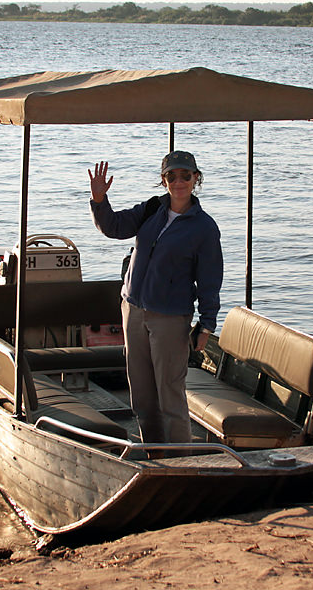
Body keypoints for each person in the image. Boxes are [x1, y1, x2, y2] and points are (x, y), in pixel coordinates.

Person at [89, 150, 223, 447]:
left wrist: (207, 325)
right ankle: (154, 452)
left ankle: (180, 461)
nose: (178, 182)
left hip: (171, 318)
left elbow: (210, 280)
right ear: (163, 181)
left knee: (169, 391)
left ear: (195, 179)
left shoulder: (204, 227)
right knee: (141, 390)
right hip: (133, 310)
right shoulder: (152, 209)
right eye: (171, 176)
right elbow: (114, 227)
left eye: (185, 176)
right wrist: (99, 201)